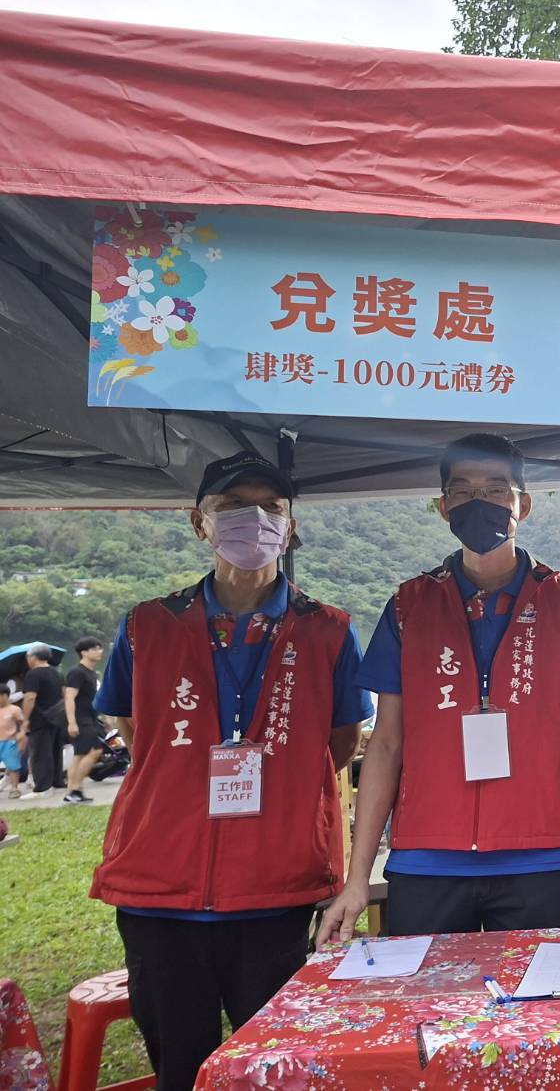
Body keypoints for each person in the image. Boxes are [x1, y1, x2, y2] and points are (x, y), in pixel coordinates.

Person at [90, 450, 370, 1091]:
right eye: (234, 506)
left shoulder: (328, 631)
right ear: (200, 522)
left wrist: (281, 792)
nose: (255, 520)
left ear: (290, 526)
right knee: (179, 1065)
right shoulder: (147, 625)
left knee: (271, 1065)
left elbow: (339, 742)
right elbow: (136, 732)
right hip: (160, 884)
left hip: (275, 885)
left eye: (271, 507)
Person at [320, 433, 560, 945]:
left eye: (496, 489)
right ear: (443, 507)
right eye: (463, 491)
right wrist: (357, 878)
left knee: (531, 997)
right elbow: (385, 745)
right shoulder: (409, 606)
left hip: (537, 854)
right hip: (425, 856)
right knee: (424, 995)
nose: (480, 502)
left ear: (523, 504)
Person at [61, 636, 109, 804]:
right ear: (84, 652)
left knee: (79, 755)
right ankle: (74, 789)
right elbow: (69, 698)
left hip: (91, 717)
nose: (99, 651)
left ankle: (72, 792)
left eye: (100, 648)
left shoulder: (91, 673)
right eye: (95, 648)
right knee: (95, 751)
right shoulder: (77, 672)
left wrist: (103, 717)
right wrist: (72, 722)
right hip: (80, 719)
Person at [19, 646, 65, 795]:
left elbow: (30, 698)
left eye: (28, 657)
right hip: (57, 717)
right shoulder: (57, 673)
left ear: (34, 657)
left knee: (40, 753)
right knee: (56, 751)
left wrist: (25, 719)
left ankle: (43, 788)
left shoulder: (33, 674)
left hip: (40, 719)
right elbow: (64, 695)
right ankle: (57, 783)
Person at [0, 687, 22, 799]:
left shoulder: (14, 709)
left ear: (5, 696)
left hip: (9, 741)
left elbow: (23, 723)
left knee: (13, 766)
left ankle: (14, 788)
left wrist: (21, 735)